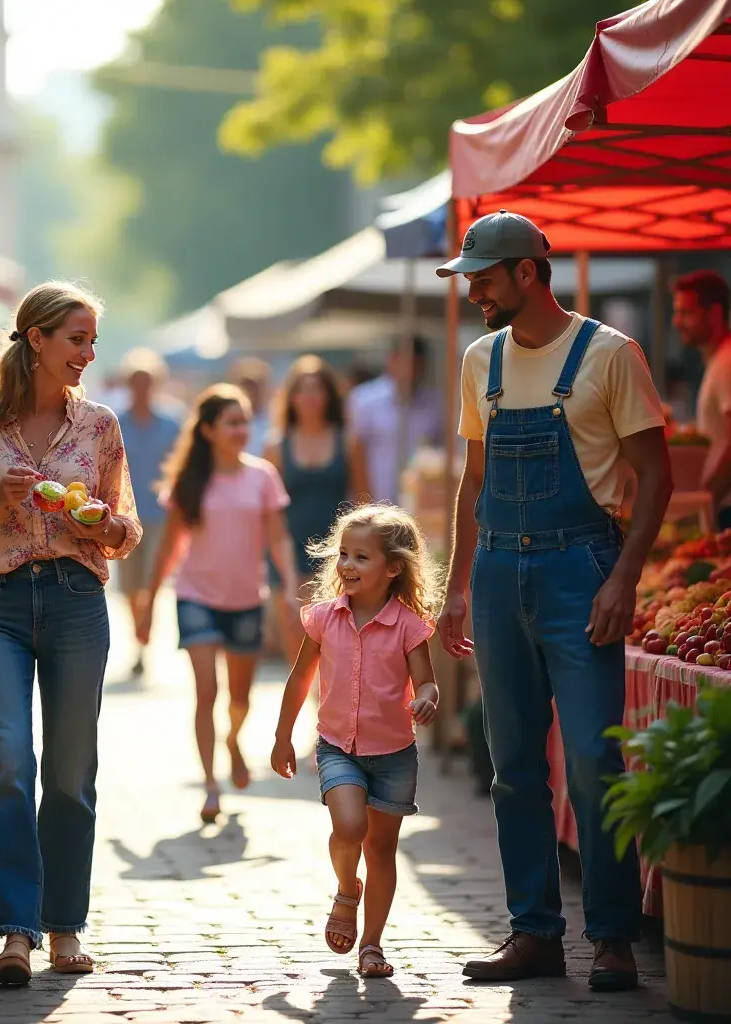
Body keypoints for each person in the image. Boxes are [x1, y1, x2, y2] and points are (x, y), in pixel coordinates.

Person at [436, 211, 672, 991]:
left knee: (596, 764)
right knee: (512, 768)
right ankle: (533, 932)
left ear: (527, 274)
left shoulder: (611, 354)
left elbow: (657, 476)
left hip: (583, 571)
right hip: (501, 570)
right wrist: (456, 589)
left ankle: (611, 938)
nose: (473, 292)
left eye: (483, 277)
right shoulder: (482, 359)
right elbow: (473, 483)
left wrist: (624, 576)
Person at [0, 281, 142, 986]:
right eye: (77, 338)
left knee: (72, 775)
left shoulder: (101, 425)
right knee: (9, 762)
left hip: (77, 601)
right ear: (37, 340)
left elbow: (127, 528)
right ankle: (14, 931)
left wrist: (98, 524)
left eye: (92, 340)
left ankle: (63, 923)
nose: (88, 352)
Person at [270, 504, 440, 979]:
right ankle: (348, 891)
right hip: (338, 746)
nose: (346, 565)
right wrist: (283, 737)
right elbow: (300, 677)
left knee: (382, 851)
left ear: (393, 569)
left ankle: (372, 945)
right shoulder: (324, 618)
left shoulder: (408, 625)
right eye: (343, 554)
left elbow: (426, 682)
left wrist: (427, 698)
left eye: (361, 557)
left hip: (394, 756)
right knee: (348, 827)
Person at [136, 384, 297, 823]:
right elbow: (169, 544)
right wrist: (149, 602)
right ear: (208, 430)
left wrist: (291, 579)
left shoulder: (262, 475)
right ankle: (210, 784)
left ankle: (233, 741)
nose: (242, 429)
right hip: (195, 597)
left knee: (239, 698)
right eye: (232, 422)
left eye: (245, 420)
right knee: (206, 691)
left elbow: (278, 534)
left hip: (247, 599)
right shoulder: (190, 481)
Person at [264, 355, 368, 665]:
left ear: (329, 396)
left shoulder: (348, 442)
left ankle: (325, 709)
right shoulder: (275, 445)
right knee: (297, 647)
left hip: (339, 553)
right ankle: (306, 708)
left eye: (317, 389)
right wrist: (282, 564)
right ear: (291, 397)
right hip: (289, 550)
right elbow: (271, 513)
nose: (309, 397)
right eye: (302, 390)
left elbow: (364, 502)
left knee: (337, 644)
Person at [115, 349, 182, 676]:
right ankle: (138, 633)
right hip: (125, 515)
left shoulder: (172, 422)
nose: (141, 387)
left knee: (152, 581)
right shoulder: (115, 421)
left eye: (147, 381)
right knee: (129, 586)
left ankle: (146, 635)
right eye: (136, 381)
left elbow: (183, 466)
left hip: (161, 515)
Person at [347, 336, 441, 503]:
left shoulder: (434, 405)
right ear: (391, 360)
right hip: (377, 504)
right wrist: (365, 504)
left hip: (418, 504)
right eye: (405, 362)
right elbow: (356, 454)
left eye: (416, 364)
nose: (410, 370)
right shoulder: (364, 399)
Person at [671, 271, 731, 527]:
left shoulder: (727, 363)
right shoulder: (718, 362)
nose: (676, 322)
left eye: (686, 313)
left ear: (714, 314)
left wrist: (705, 502)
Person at [231, 356, 272, 457]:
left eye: (255, 385)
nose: (251, 391)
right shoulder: (228, 420)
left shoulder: (275, 421)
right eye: (247, 385)